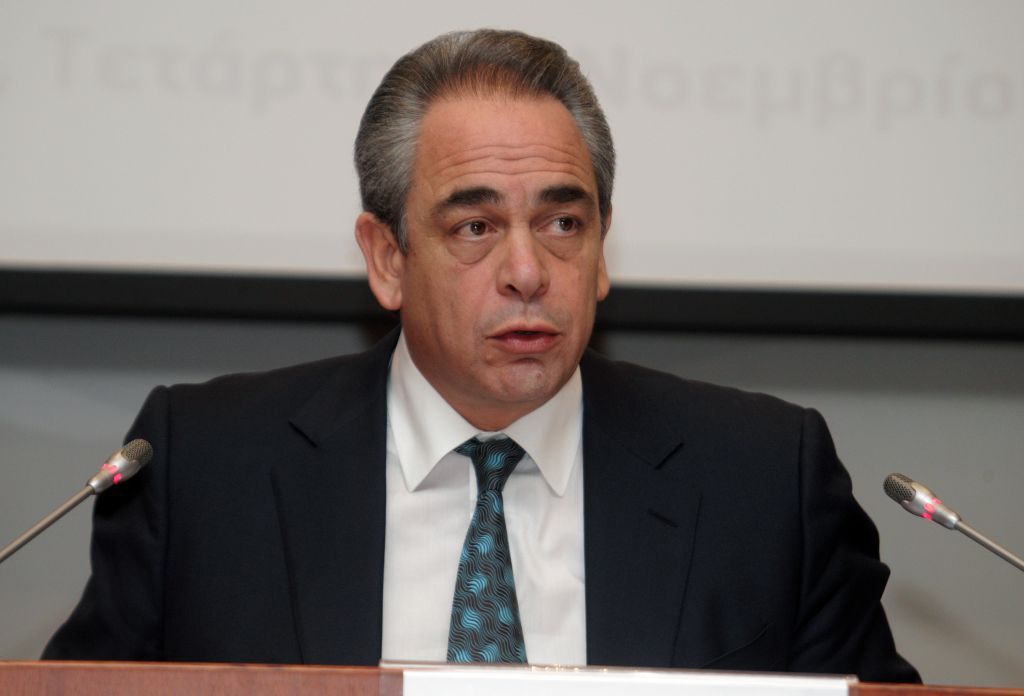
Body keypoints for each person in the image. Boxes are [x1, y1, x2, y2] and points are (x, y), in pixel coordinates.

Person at [44, 29, 919, 682]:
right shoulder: (205, 469)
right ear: (387, 258)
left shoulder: (763, 481)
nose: (528, 272)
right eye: (475, 226)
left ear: (602, 248)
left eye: (563, 222)